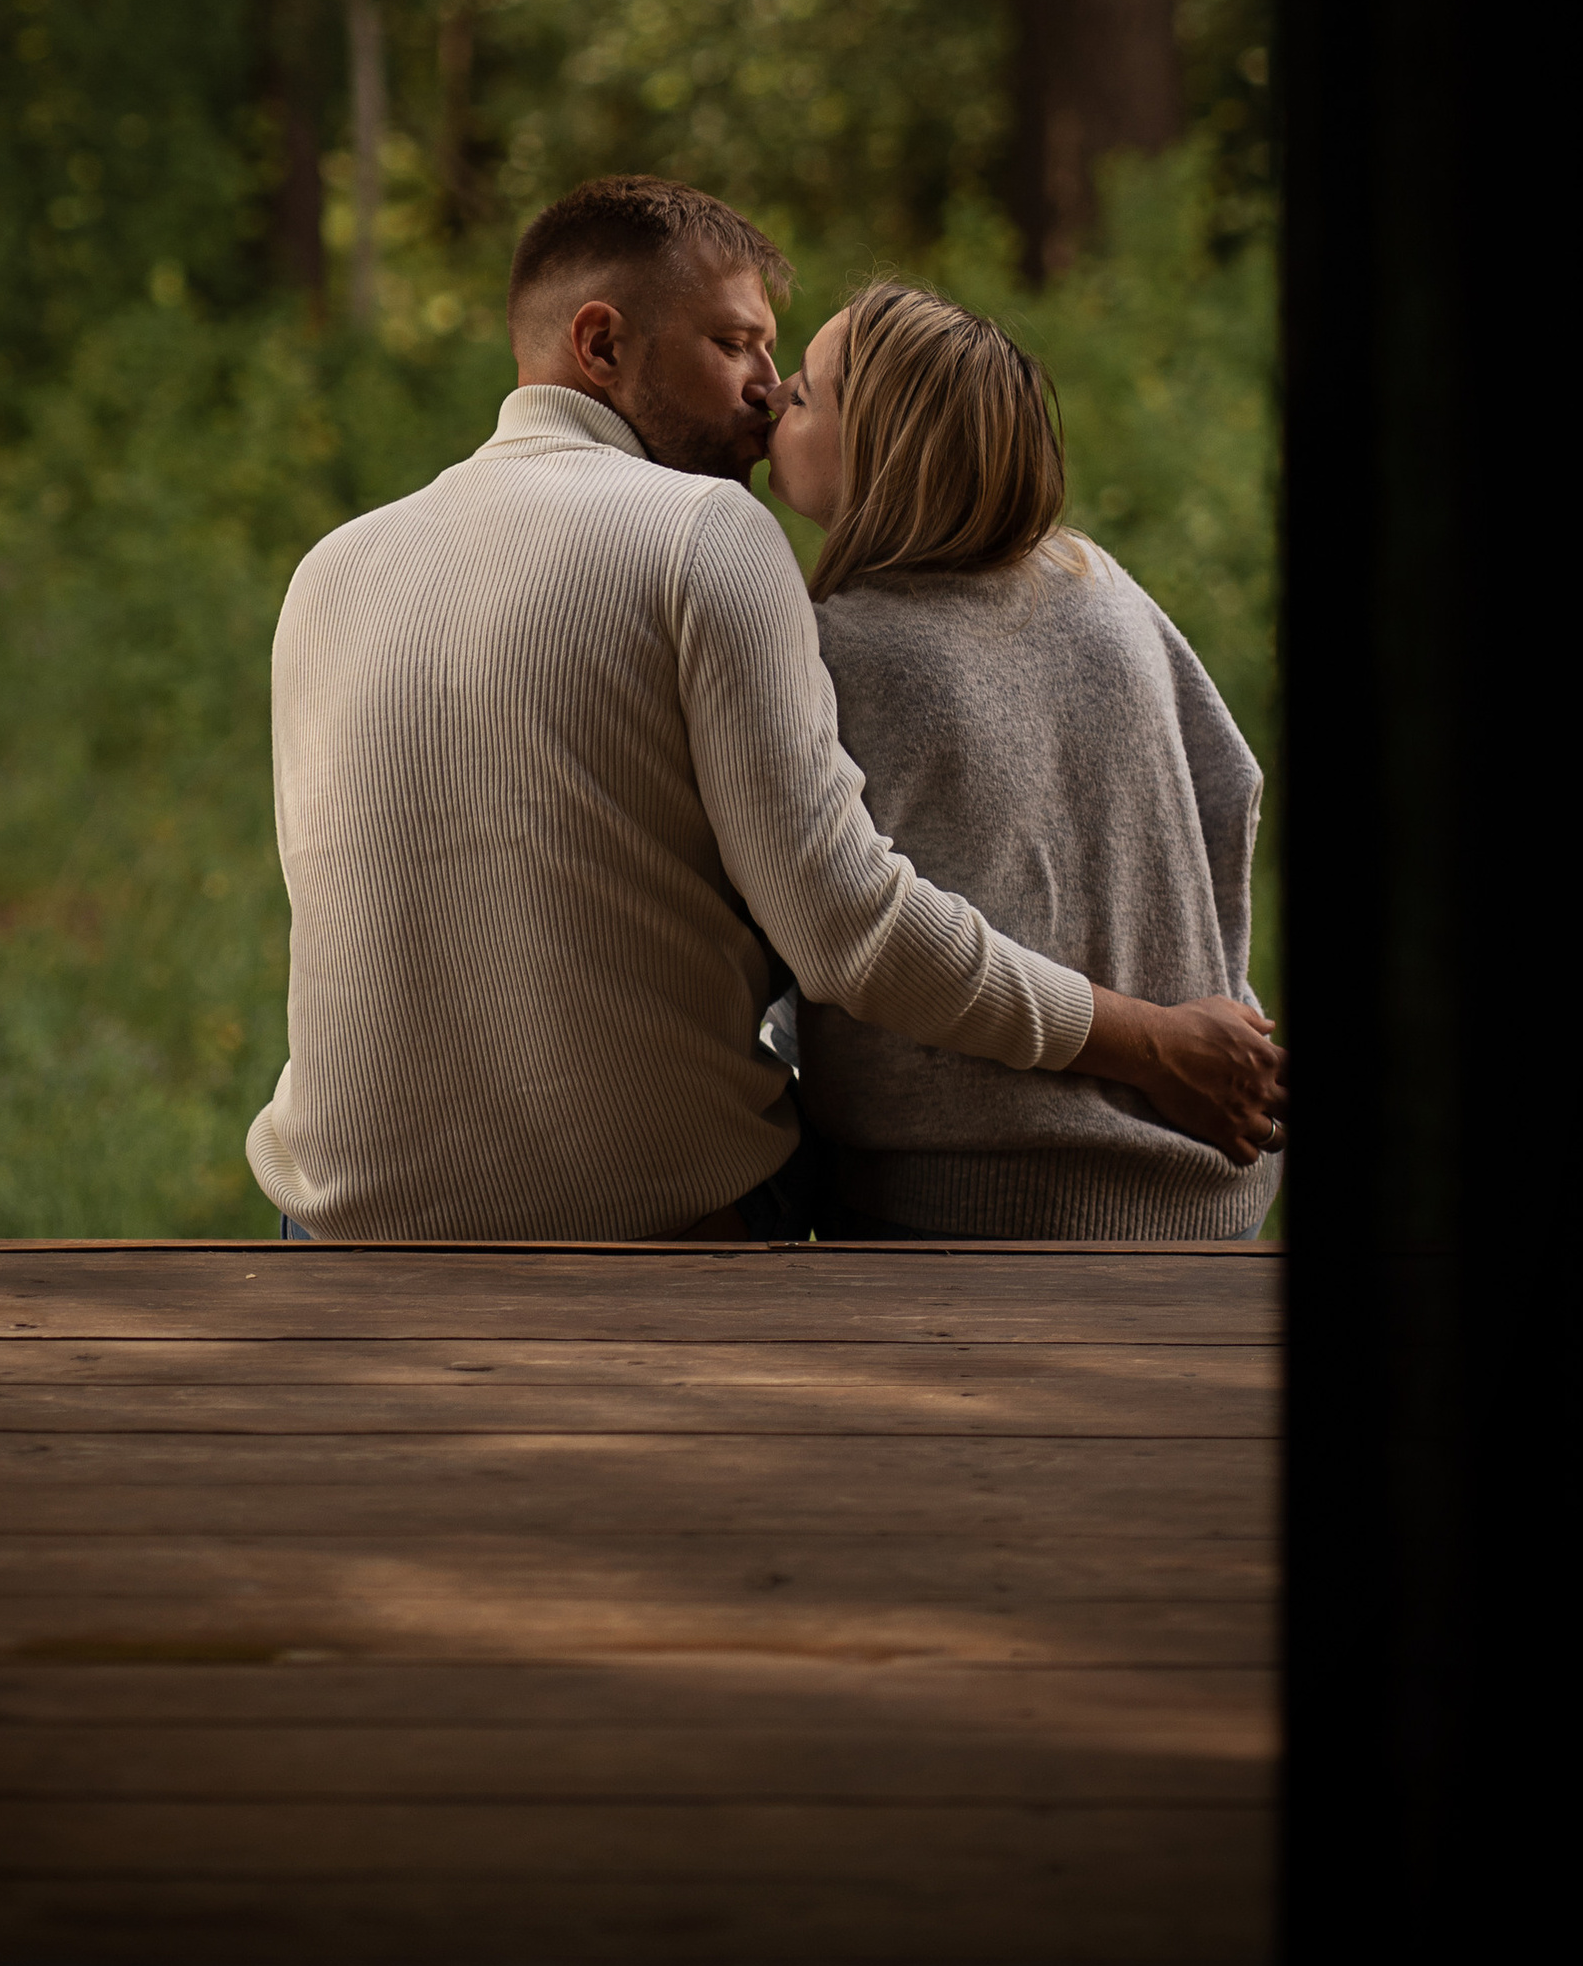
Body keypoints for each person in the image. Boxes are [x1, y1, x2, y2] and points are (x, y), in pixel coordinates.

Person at [246, 175, 1279, 1242]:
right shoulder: (707, 529)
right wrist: (1152, 1038)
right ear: (599, 345)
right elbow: (848, 929)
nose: (766, 387)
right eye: (736, 343)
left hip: (331, 1224)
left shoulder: (329, 565)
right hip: (648, 1222)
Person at [766, 278, 1286, 1241]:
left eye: (803, 393)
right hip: (1210, 1174)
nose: (769, 399)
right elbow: (1233, 790)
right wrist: (1204, 992)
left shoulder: (834, 647)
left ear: (885, 448)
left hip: (969, 1207)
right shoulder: (1098, 581)